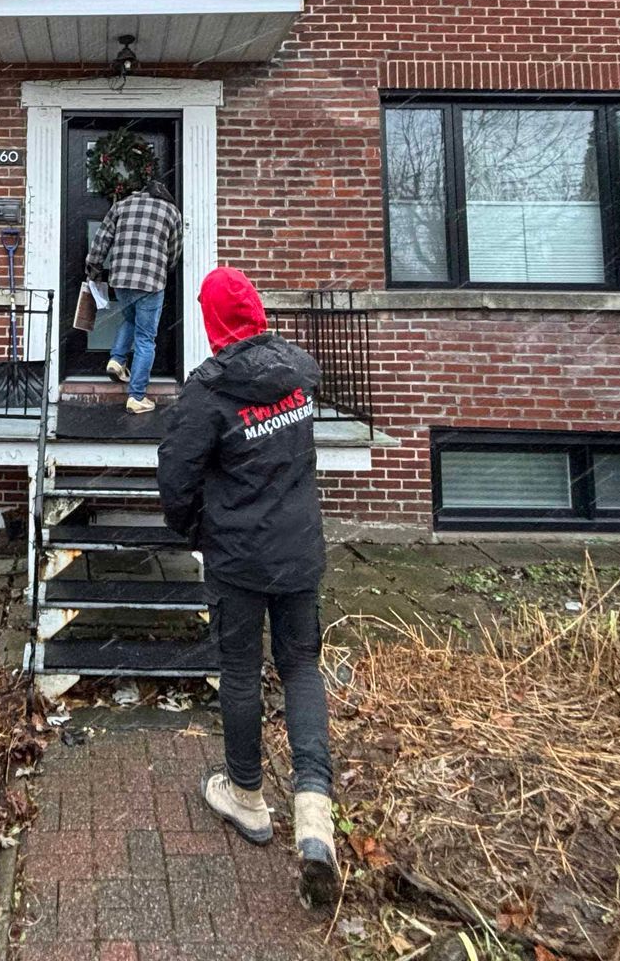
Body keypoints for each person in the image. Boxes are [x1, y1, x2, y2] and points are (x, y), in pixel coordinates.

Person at [155, 265, 338, 907]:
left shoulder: (209, 393)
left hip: (239, 556)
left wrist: (198, 530)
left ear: (211, 322)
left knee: (239, 670)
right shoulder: (296, 375)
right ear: (257, 311)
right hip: (298, 548)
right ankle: (315, 811)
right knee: (301, 667)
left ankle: (248, 796)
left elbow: (175, 479)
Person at [85, 176, 182, 413]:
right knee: (145, 339)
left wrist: (94, 269)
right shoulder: (171, 211)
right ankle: (137, 396)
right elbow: (174, 249)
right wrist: (164, 267)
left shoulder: (122, 205)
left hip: (121, 279)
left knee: (130, 319)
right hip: (150, 281)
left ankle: (117, 360)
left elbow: (101, 240)